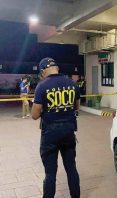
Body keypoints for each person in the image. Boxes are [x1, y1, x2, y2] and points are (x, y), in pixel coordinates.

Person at [31, 57, 80, 198]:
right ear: (56, 68)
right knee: (71, 169)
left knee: (50, 173)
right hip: (68, 131)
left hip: (50, 133)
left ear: (44, 70)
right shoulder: (72, 84)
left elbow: (35, 115)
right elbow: (76, 107)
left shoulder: (42, 86)